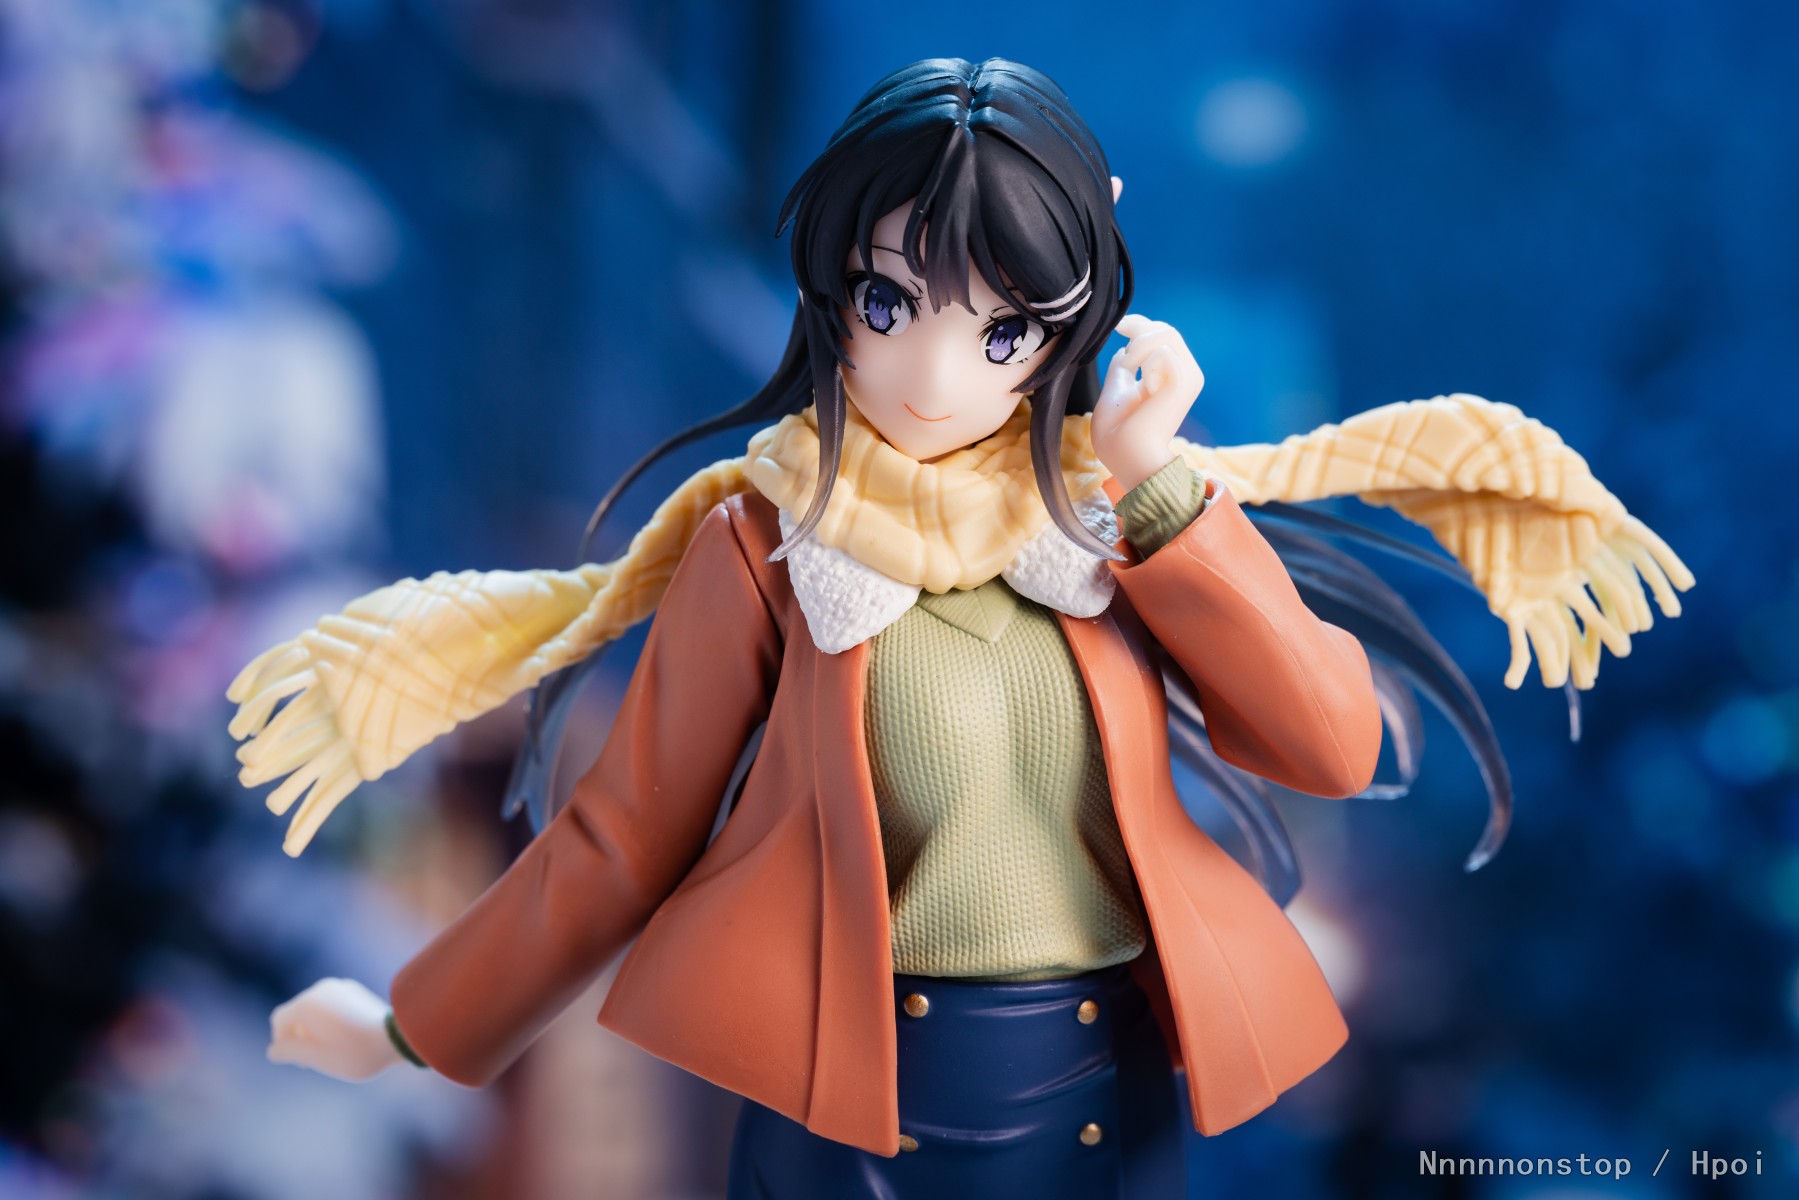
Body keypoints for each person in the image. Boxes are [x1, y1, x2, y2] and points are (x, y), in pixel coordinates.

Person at [233, 58, 1691, 1199]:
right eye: (889, 302)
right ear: (832, 295)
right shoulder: (767, 543)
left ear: (1069, 330)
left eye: (1003, 332)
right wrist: (415, 1027)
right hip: (849, 1104)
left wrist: (1165, 494)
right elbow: (623, 837)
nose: (934, 375)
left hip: (1097, 1094)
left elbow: (1331, 741)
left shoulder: (1110, 523)